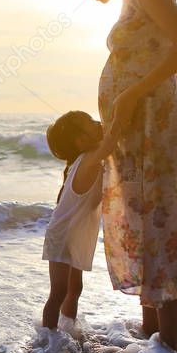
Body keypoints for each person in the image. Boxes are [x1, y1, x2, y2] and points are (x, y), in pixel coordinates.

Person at [61, 0, 177, 352]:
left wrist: (132, 94)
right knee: (145, 224)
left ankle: (166, 346)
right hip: (137, 130)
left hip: (156, 125)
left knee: (162, 221)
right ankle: (153, 343)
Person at [40, 110, 123, 336]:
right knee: (59, 291)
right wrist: (123, 110)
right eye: (91, 122)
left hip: (76, 235)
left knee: (75, 288)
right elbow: (110, 142)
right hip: (63, 235)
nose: (98, 123)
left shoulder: (87, 159)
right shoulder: (88, 159)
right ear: (81, 140)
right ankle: (47, 340)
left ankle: (67, 329)